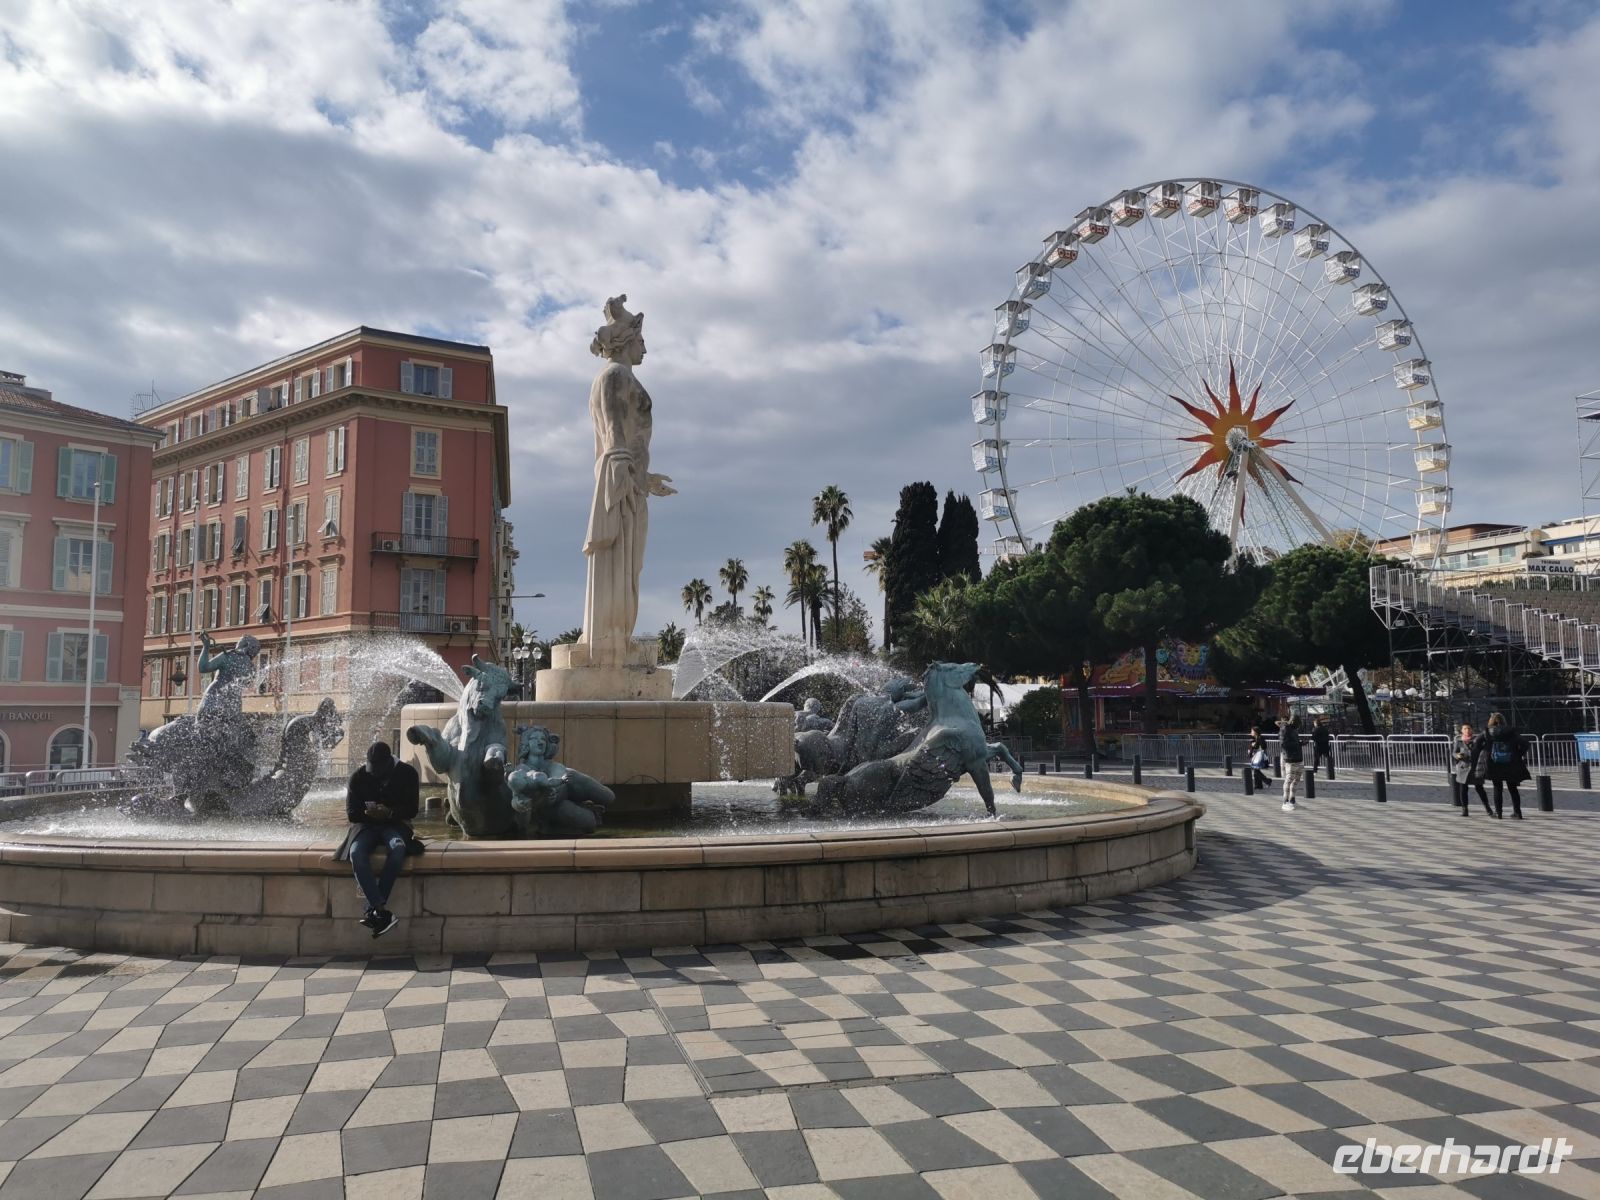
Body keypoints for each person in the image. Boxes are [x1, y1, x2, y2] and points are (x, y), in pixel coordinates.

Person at [335, 742, 422, 937]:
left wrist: (390, 813)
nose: (374, 774)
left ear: (390, 763)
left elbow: (412, 809)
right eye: (371, 769)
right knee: (356, 853)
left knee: (398, 848)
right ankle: (381, 911)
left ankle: (374, 910)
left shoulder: (408, 774)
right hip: (366, 826)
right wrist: (369, 814)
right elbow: (351, 814)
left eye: (379, 770)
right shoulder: (358, 777)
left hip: (396, 825)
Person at [1475, 712, 1529, 820]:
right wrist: (1518, 753)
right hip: (1510, 762)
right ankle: (1517, 812)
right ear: (1503, 721)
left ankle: (1498, 813)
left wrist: (1485, 751)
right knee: (1513, 788)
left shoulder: (1487, 732)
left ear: (1491, 721)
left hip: (1493, 762)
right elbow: (1525, 743)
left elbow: (1476, 742)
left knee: (1497, 787)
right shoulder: (1511, 732)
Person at [1454, 722, 1493, 817]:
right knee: (1463, 789)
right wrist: (1458, 756)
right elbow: (1454, 753)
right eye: (1465, 729)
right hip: (1463, 768)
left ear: (1472, 730)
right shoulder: (1459, 741)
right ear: (1461, 731)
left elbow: (1486, 746)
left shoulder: (1477, 740)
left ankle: (1488, 808)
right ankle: (1465, 809)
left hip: (1476, 768)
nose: (1467, 730)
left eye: (1469, 728)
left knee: (1480, 788)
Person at [1279, 716, 1304, 812]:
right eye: (1298, 723)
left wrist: (1300, 743)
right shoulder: (1285, 730)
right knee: (1289, 779)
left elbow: (1294, 742)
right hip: (1290, 758)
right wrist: (1297, 744)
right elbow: (1284, 744)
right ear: (1293, 721)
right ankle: (1285, 801)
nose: (1298, 726)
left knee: (1296, 779)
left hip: (1297, 757)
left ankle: (1292, 799)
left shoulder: (1293, 730)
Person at [1246, 725, 1271, 790]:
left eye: (1252, 731)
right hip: (1256, 756)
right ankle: (1258, 785)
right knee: (1256, 770)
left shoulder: (1260, 738)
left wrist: (1254, 745)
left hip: (1259, 756)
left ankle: (1267, 780)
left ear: (1255, 732)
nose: (1251, 732)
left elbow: (1263, 746)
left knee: (1256, 770)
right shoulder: (1256, 738)